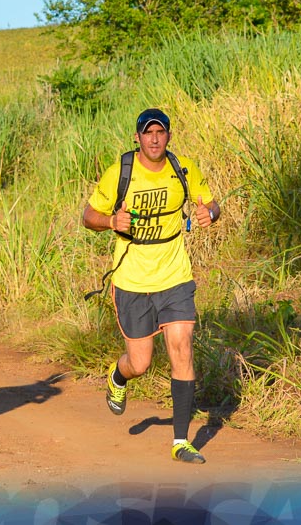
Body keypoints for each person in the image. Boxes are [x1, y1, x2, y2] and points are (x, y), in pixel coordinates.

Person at [82, 108, 220, 464]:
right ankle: (117, 376)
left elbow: (210, 203)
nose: (155, 139)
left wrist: (210, 213)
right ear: (138, 138)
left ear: (169, 136)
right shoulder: (121, 173)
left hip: (175, 277)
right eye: (148, 133)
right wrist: (112, 220)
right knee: (139, 363)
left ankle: (180, 442)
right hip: (132, 281)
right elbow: (88, 216)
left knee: (181, 346)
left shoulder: (183, 169)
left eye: (161, 132)